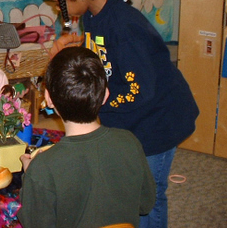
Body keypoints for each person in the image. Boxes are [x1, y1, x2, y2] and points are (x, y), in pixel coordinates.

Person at [38, 0, 199, 228]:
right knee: (126, 187)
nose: (57, 8)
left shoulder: (125, 28)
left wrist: (92, 105)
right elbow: (103, 50)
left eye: (58, 2)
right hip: (137, 110)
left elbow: (140, 91)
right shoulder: (93, 9)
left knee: (147, 197)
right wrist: (71, 43)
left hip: (158, 121)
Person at [18, 46, 156, 228]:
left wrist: (31, 175)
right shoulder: (129, 141)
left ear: (48, 99)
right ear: (105, 95)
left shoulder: (43, 167)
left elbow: (34, 223)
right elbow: (146, 203)